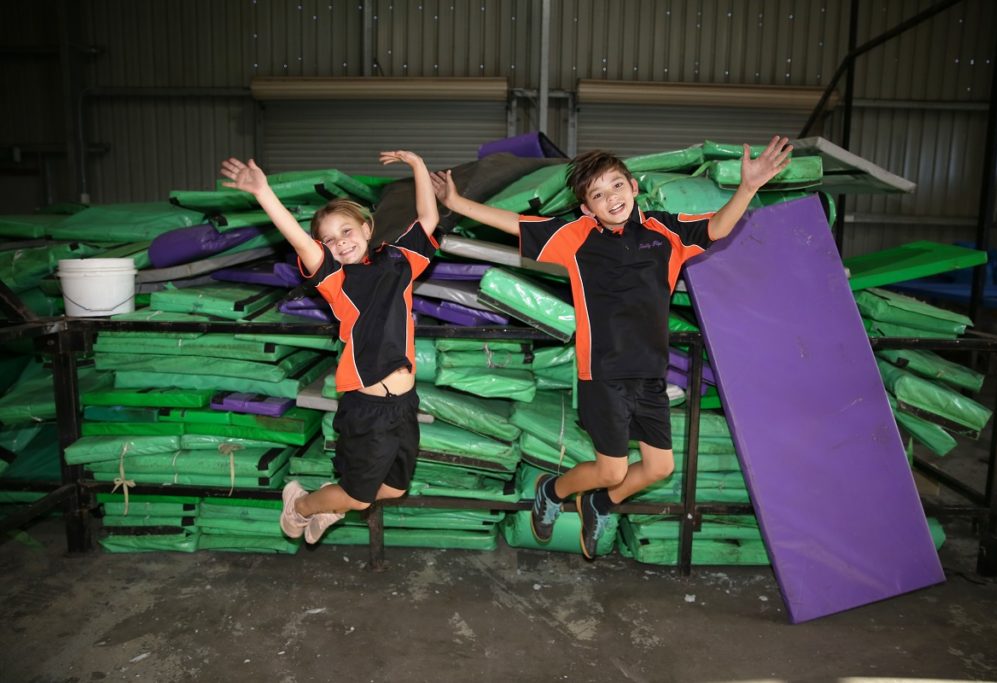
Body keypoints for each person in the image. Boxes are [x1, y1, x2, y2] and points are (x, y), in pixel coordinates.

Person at [432, 136, 792, 560]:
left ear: (633, 186)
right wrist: (456, 202)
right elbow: (513, 224)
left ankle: (601, 502)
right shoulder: (576, 237)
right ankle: (553, 490)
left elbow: (716, 228)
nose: (610, 198)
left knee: (659, 468)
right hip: (602, 372)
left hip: (650, 371)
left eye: (615, 185)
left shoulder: (665, 231)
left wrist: (747, 187)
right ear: (587, 208)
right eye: (597, 194)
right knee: (612, 468)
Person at [221, 150, 439, 544]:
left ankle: (328, 507)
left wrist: (418, 166)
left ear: (367, 228)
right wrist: (263, 193)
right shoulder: (337, 281)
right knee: (359, 496)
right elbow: (300, 241)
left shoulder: (399, 261)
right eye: (330, 239)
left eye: (347, 231)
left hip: (404, 405)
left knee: (394, 489)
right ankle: (301, 504)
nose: (339, 243)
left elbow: (429, 219)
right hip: (368, 407)